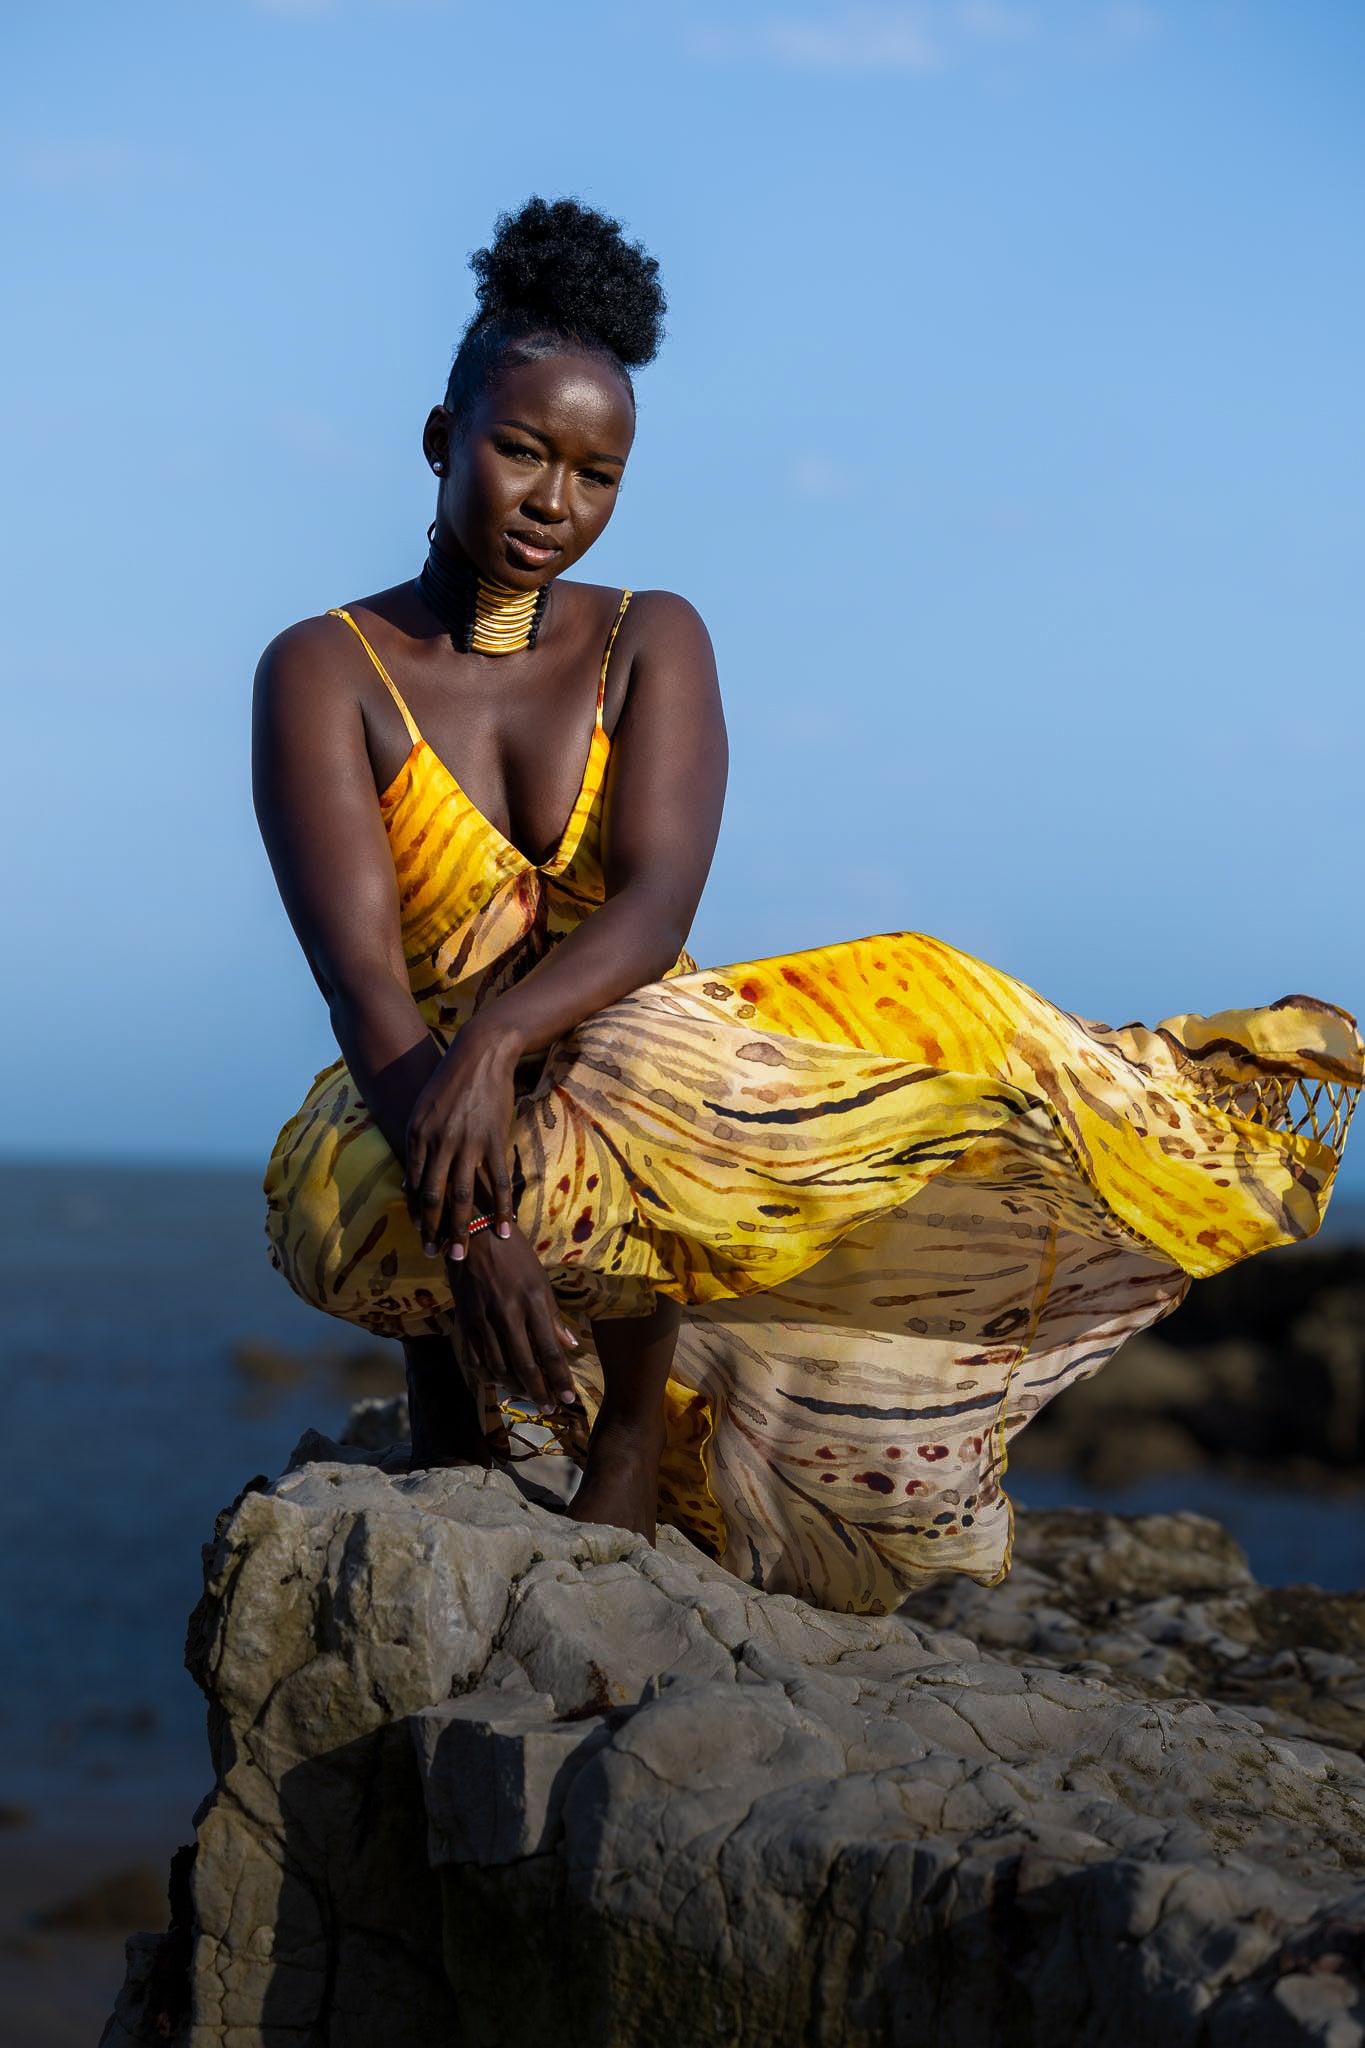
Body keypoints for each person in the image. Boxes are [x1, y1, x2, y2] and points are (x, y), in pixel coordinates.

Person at [255, 196, 1361, 1616]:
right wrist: (472, 1213)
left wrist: (498, 1045)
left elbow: (652, 909)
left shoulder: (650, 637)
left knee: (644, 1046)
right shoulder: (323, 668)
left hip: (637, 1084)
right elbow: (366, 993)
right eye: (520, 449)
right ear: (439, 438)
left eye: (596, 473)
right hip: (407, 1102)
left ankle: (636, 1430)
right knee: (345, 1203)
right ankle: (450, 1390)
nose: (553, 502)